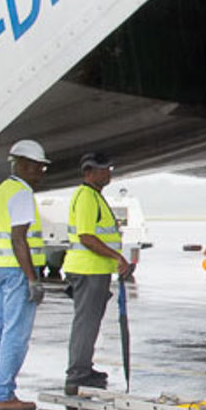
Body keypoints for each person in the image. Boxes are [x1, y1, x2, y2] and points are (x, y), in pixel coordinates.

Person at [0, 140, 49, 410]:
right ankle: (3, 395)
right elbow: (19, 239)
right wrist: (32, 279)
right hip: (17, 271)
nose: (41, 173)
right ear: (24, 165)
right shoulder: (22, 194)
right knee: (15, 333)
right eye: (38, 167)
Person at [61, 152, 132, 395]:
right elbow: (87, 237)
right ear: (89, 172)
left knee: (90, 323)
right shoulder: (86, 197)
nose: (108, 173)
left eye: (109, 168)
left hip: (95, 270)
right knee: (86, 323)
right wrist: (117, 257)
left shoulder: (94, 196)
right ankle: (78, 373)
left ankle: (83, 368)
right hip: (87, 269)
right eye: (103, 169)